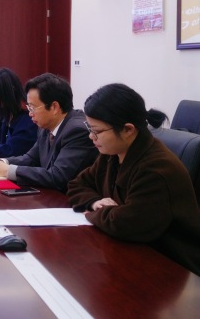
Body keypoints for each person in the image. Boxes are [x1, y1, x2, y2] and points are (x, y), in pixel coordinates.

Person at [67, 83, 200, 275]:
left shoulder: (156, 170)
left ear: (128, 129)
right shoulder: (112, 152)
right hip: (131, 251)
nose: (91, 136)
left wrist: (92, 213)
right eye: (90, 128)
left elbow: (126, 224)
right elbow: (76, 184)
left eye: (97, 131)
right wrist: (94, 202)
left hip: (171, 267)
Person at [0, 73, 98, 191]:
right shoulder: (45, 125)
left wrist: (8, 171)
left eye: (32, 108)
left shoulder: (76, 131)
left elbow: (58, 176)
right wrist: (3, 162)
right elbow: (31, 158)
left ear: (54, 107)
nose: (30, 113)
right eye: (29, 108)